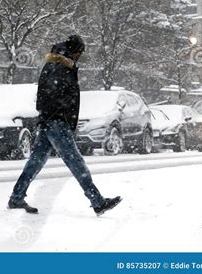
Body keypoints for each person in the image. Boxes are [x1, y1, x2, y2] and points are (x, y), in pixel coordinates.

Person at [8, 35, 121, 216]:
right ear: (75, 52)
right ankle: (98, 202)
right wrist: (62, 115)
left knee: (36, 161)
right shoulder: (62, 67)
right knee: (76, 162)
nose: (79, 58)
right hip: (57, 122)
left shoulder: (53, 64)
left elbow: (46, 94)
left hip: (48, 121)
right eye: (80, 54)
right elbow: (55, 95)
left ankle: (16, 197)